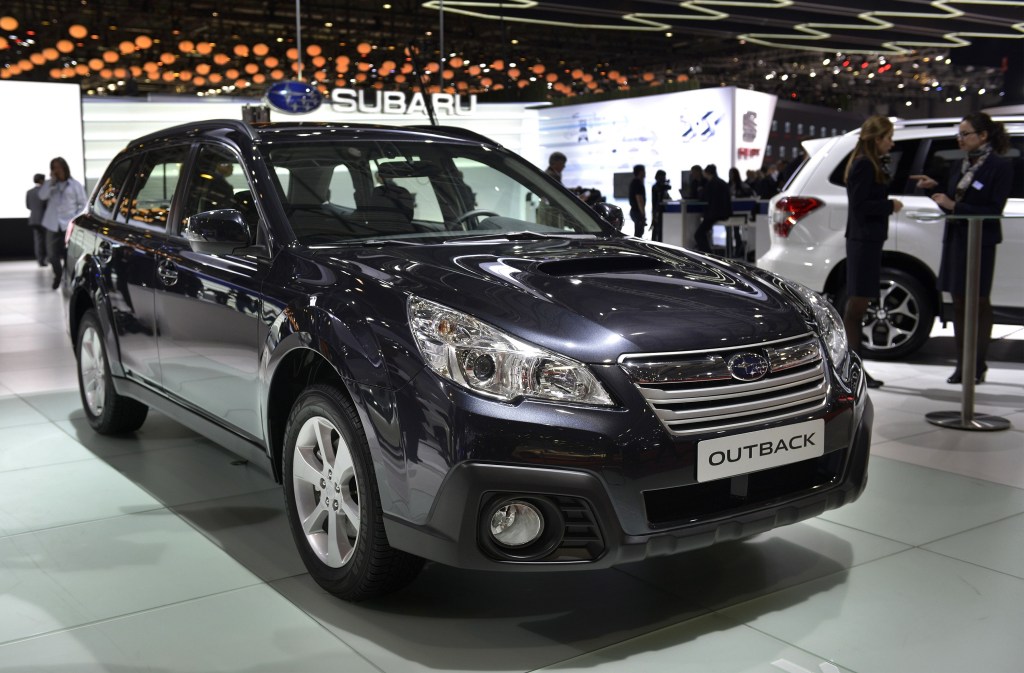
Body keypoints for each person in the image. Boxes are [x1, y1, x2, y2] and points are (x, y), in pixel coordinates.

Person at [912, 112, 1012, 384]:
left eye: (965, 134)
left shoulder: (999, 167)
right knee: (957, 302)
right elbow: (951, 200)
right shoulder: (961, 164)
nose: (960, 139)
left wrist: (954, 205)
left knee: (978, 302)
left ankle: (977, 364)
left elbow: (993, 208)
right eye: (959, 133)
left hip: (981, 242)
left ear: (983, 136)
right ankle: (962, 364)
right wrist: (933, 189)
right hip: (957, 240)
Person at [843, 115, 903, 389]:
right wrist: (890, 206)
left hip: (867, 241)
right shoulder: (864, 165)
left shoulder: (869, 163)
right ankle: (853, 369)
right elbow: (860, 205)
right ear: (876, 138)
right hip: (863, 241)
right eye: (888, 138)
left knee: (859, 305)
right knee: (857, 306)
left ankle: (854, 368)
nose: (891, 143)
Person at [38, 157, 87, 290]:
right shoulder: (50, 184)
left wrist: (75, 217)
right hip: (52, 224)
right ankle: (58, 274)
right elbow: (42, 196)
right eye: (53, 167)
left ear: (64, 167)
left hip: (69, 224)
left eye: (58, 167)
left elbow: (83, 203)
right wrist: (51, 182)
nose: (56, 170)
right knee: (52, 254)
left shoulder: (75, 185)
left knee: (69, 254)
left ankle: (67, 276)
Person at [694, 164, 731, 253]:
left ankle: (706, 254)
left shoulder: (711, 184)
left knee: (698, 234)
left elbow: (705, 198)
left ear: (707, 173)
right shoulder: (722, 182)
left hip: (714, 214)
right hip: (723, 213)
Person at [25, 173, 48, 266]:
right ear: (42, 180)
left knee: (38, 241)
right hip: (45, 219)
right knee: (47, 240)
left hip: (34, 219)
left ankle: (40, 260)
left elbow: (28, 206)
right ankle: (47, 259)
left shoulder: (29, 192)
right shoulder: (44, 192)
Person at [650, 169, 670, 242]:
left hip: (661, 210)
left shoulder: (661, 186)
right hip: (657, 210)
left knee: (660, 229)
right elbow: (664, 188)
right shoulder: (656, 186)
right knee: (656, 229)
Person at [628, 164, 646, 238]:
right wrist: (643, 213)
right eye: (644, 171)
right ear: (640, 172)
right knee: (639, 233)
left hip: (635, 211)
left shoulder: (635, 182)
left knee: (639, 232)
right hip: (637, 211)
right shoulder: (637, 183)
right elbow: (639, 199)